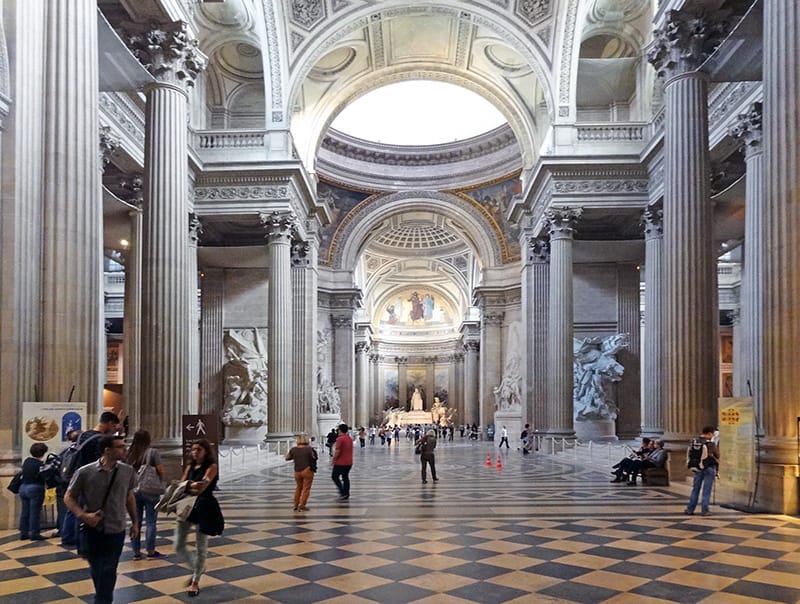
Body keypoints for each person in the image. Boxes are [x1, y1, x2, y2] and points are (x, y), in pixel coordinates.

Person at [63, 434, 138, 604]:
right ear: (107, 450)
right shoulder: (85, 472)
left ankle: (102, 600)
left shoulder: (127, 471)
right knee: (97, 568)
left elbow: (129, 497)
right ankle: (102, 597)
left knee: (109, 569)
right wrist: (83, 516)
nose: (124, 449)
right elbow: (68, 497)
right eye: (120, 447)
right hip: (92, 529)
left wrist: (135, 522)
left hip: (116, 527)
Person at [62, 411, 120, 548]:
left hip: (75, 473)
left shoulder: (83, 434)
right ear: (110, 424)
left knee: (73, 507)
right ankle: (79, 538)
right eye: (114, 427)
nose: (113, 431)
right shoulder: (100, 440)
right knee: (84, 508)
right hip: (89, 477)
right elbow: (99, 462)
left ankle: (67, 536)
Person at [175, 439, 224, 597]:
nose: (195, 452)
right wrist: (191, 486)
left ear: (206, 451)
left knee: (201, 545)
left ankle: (195, 580)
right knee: (178, 544)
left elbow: (202, 487)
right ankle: (198, 567)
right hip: (187, 506)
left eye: (199, 449)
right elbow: (182, 485)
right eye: (193, 449)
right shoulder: (189, 466)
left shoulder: (212, 467)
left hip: (204, 507)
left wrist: (191, 486)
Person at [126, 430, 165, 559]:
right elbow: (160, 470)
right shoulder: (152, 452)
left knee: (135, 521)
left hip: (133, 491)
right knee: (151, 522)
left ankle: (136, 552)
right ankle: (150, 551)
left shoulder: (129, 453)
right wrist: (160, 479)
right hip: (150, 490)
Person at [685, 426, 720, 516]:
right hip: (709, 467)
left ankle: (690, 509)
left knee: (695, 489)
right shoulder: (710, 444)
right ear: (709, 433)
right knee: (706, 490)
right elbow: (717, 455)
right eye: (712, 434)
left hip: (697, 467)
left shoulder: (694, 441)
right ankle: (705, 510)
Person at [18, 442, 49, 541]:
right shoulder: (40, 464)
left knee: (25, 511)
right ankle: (34, 533)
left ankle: (24, 532)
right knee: (35, 512)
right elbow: (44, 476)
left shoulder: (27, 461)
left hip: (23, 487)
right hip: (35, 488)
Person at [285, 433, 318, 511]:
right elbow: (314, 457)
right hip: (307, 470)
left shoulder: (293, 449)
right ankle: (302, 505)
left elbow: (287, 458)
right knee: (306, 488)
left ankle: (295, 504)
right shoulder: (309, 449)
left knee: (298, 488)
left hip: (297, 471)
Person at [331, 423, 353, 501]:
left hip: (341, 462)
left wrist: (333, 459)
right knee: (345, 477)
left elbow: (338, 451)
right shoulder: (349, 438)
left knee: (334, 476)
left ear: (339, 430)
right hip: (349, 462)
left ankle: (342, 492)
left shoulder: (340, 439)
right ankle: (346, 493)